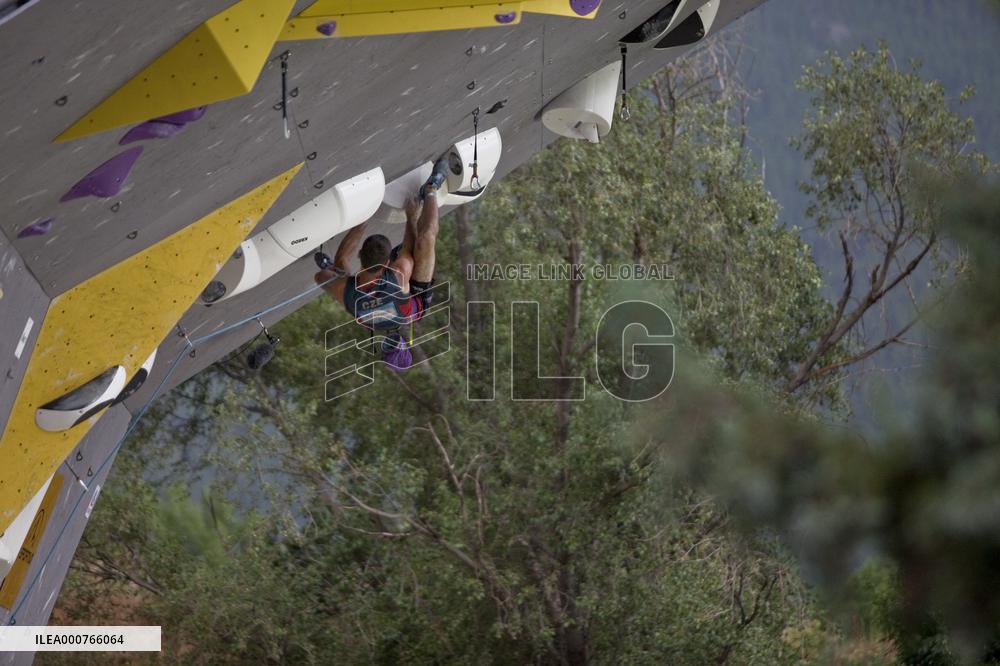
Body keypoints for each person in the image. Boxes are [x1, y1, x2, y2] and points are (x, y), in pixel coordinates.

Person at [314, 158, 446, 338]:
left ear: (360, 254)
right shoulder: (400, 271)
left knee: (339, 268)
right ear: (389, 262)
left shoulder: (350, 294)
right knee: (426, 239)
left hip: (371, 310)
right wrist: (412, 216)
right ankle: (432, 189)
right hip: (413, 300)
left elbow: (324, 275)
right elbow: (410, 244)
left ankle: (337, 269)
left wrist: (365, 216)